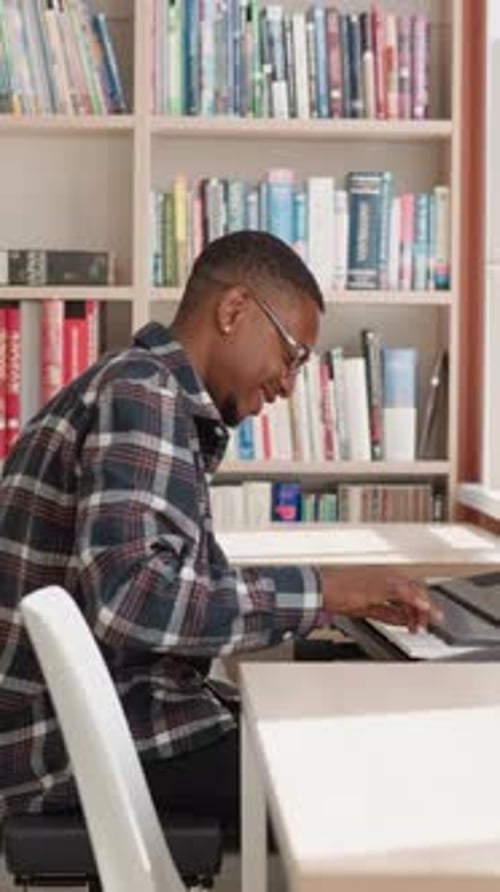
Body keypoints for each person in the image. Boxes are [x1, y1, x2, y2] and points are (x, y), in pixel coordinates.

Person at [0, 230, 440, 829]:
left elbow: (158, 586)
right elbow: (132, 598)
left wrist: (326, 596)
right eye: (292, 356)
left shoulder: (148, 393)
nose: (288, 385)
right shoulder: (143, 390)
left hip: (99, 727)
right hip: (82, 748)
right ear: (234, 310)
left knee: (342, 740)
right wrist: (327, 591)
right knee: (379, 785)